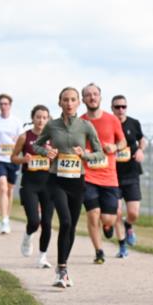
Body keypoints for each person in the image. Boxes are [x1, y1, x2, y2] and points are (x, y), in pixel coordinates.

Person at [33, 87, 106, 288]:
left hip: (77, 181)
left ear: (78, 103)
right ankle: (62, 270)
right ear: (60, 103)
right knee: (64, 221)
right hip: (56, 180)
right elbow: (36, 145)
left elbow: (100, 153)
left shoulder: (86, 126)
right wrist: (46, 152)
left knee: (71, 226)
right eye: (66, 100)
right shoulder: (52, 126)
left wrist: (85, 155)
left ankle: (61, 266)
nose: (69, 103)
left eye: (73, 99)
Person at [79, 83, 127, 265]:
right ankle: (99, 251)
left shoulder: (112, 119)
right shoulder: (80, 122)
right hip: (88, 176)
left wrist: (114, 146)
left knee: (108, 217)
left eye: (95, 94)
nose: (92, 97)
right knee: (93, 214)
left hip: (109, 177)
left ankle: (107, 225)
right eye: (88, 95)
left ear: (100, 97)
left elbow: (122, 142)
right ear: (83, 99)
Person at [12, 105, 54, 268]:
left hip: (49, 184)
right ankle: (28, 236)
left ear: (48, 119)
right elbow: (13, 157)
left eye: (44, 117)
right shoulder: (24, 137)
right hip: (30, 184)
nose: (41, 120)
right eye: (38, 117)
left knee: (47, 223)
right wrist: (24, 160)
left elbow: (61, 158)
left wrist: (53, 153)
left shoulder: (54, 137)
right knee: (34, 221)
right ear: (32, 118)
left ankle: (42, 257)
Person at [111, 94, 146, 257]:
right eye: (117, 107)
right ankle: (122, 245)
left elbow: (142, 139)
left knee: (133, 213)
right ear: (112, 108)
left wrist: (140, 150)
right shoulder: (108, 124)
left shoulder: (134, 123)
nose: (120, 110)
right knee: (116, 212)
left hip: (132, 173)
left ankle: (128, 225)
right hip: (112, 176)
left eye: (123, 106)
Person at [0, 94, 24, 234]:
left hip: (12, 159)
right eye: (1, 103)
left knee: (9, 189)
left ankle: (2, 214)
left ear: (10, 105)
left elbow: (22, 139)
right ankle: (5, 221)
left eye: (6, 103)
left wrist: (17, 141)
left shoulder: (16, 122)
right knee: (2, 187)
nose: (3, 106)